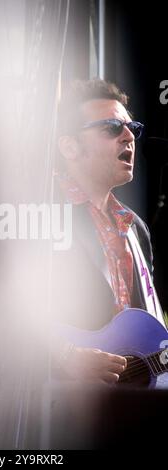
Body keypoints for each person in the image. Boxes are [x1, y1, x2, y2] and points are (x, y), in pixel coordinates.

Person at [51, 78, 166, 385]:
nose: (129, 136)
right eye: (112, 127)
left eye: (133, 128)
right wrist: (65, 356)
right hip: (53, 410)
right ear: (69, 146)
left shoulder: (135, 228)